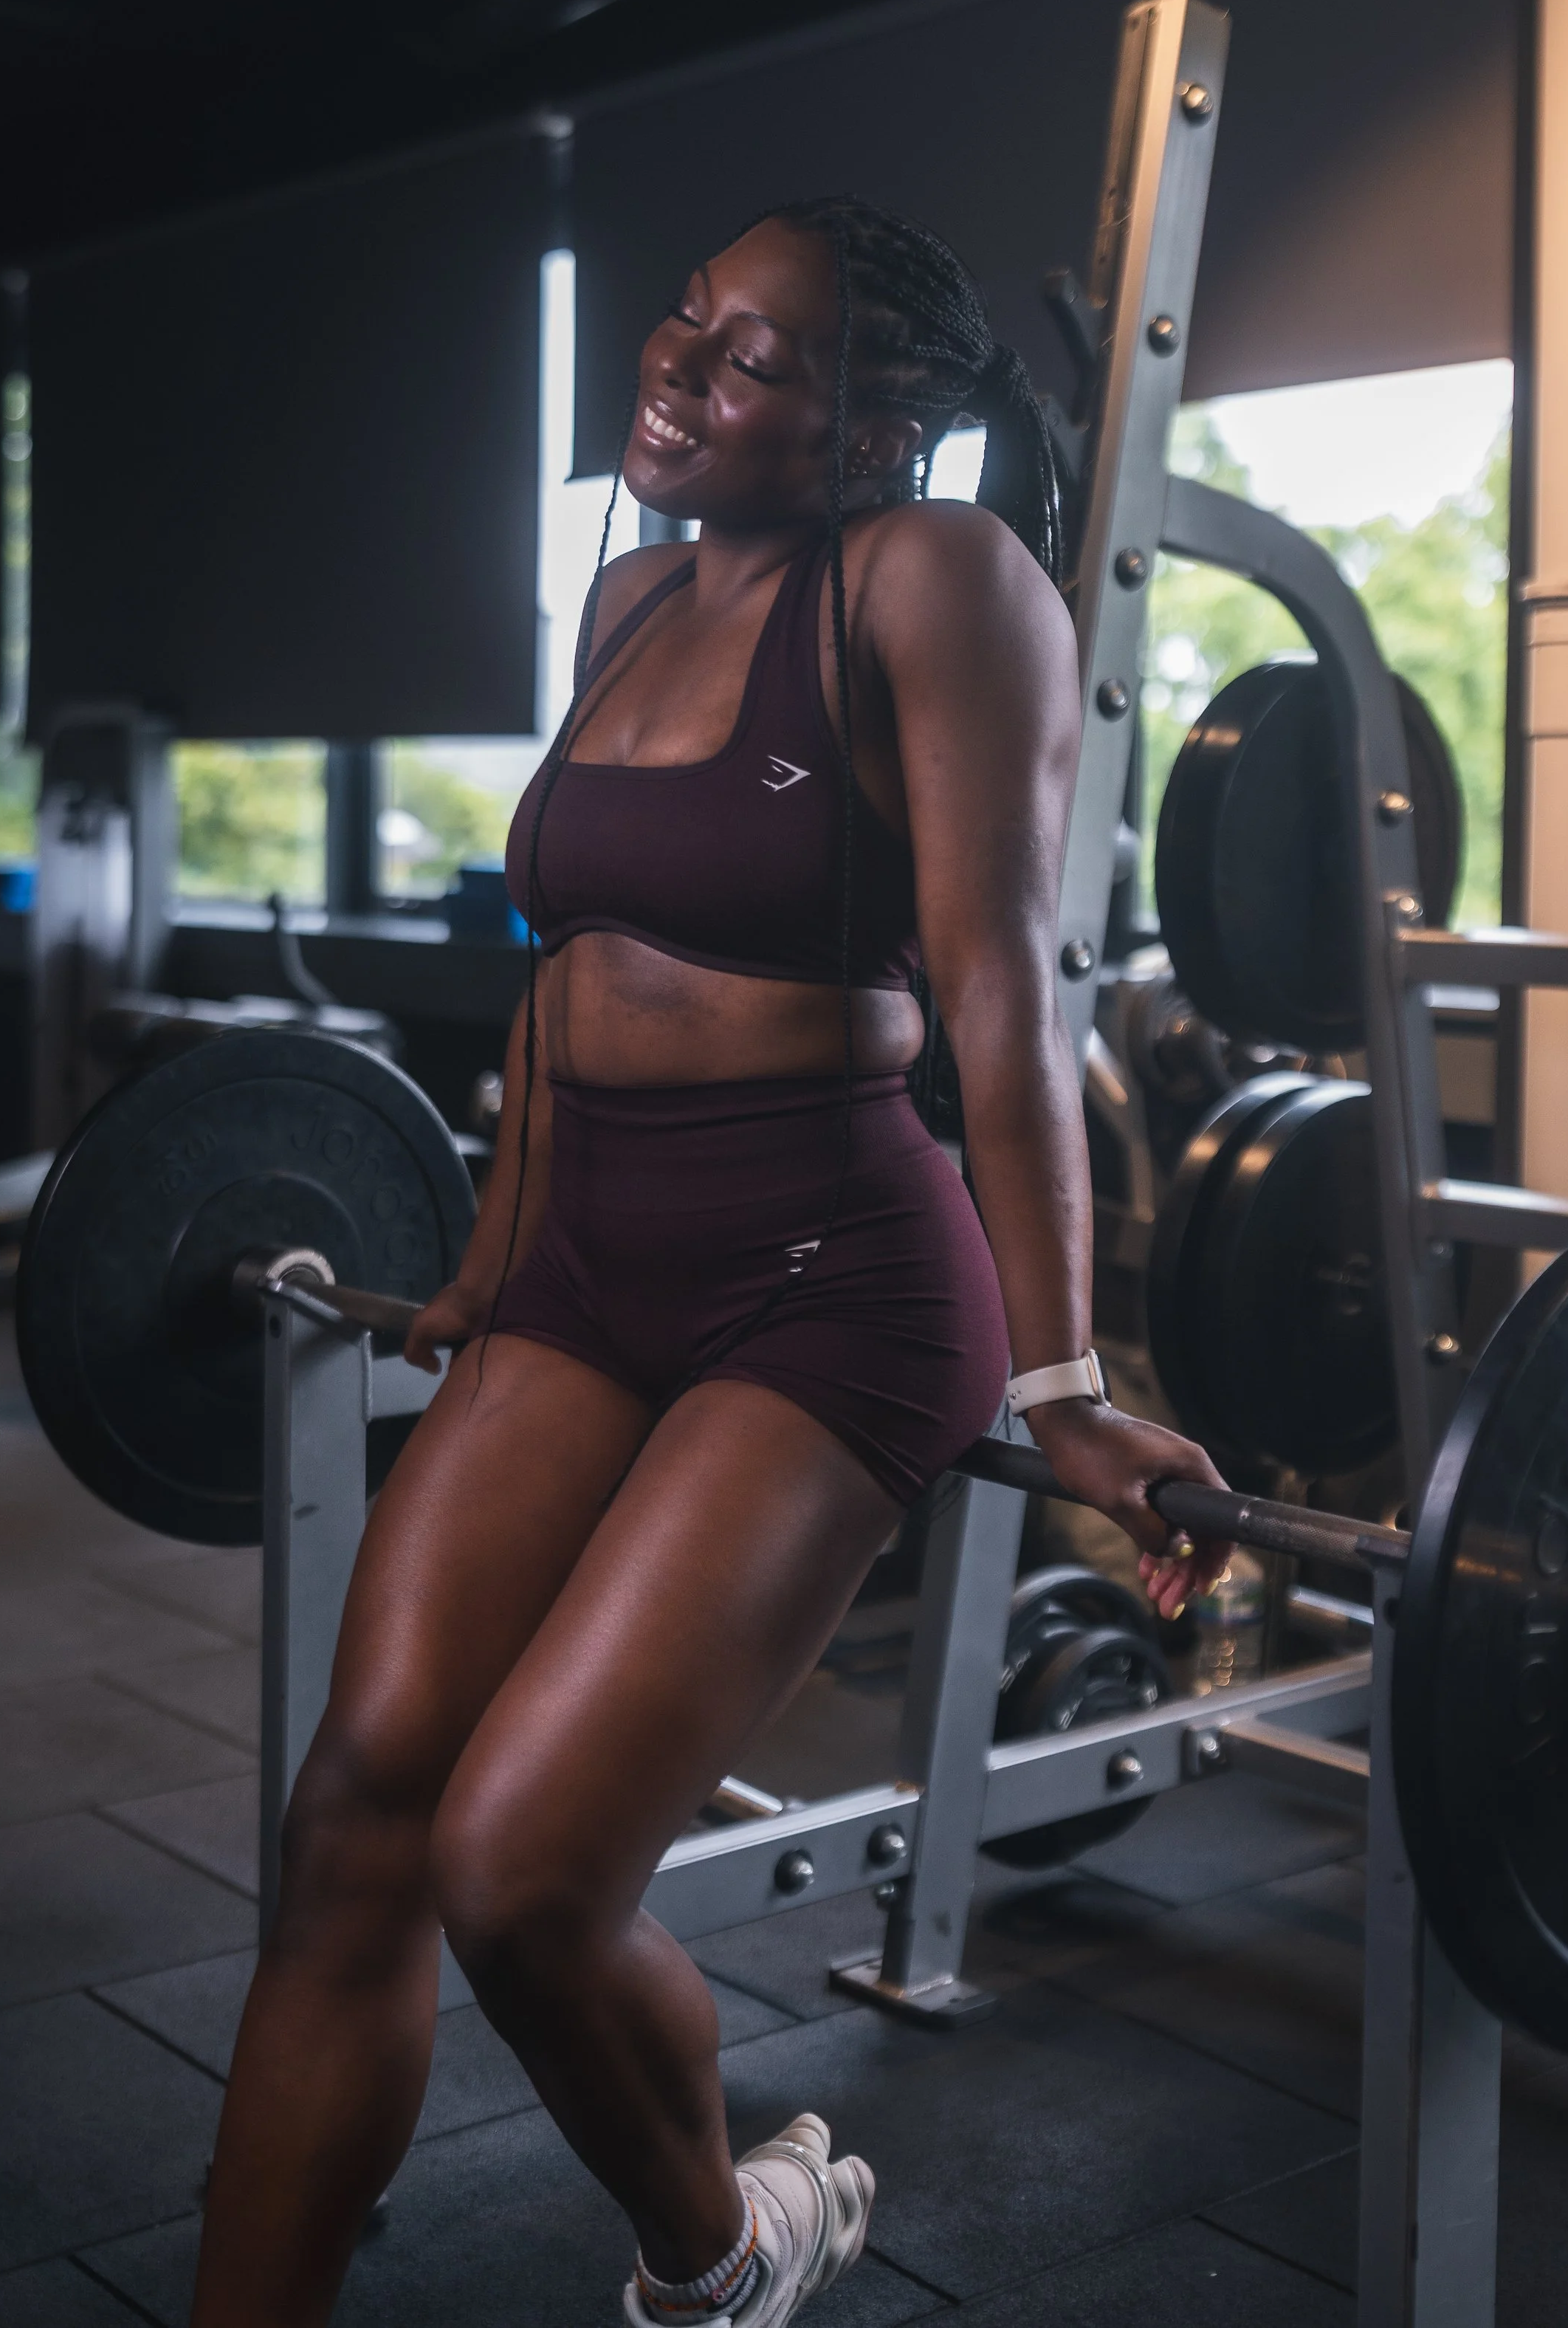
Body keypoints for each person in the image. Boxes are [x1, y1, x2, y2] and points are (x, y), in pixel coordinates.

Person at [188, 198, 1231, 2328]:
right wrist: (491, 1262)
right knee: (358, 1825)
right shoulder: (635, 592)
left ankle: (729, 2248)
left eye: (754, 358)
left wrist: (1061, 1385)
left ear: (882, 425)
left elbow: (1002, 998)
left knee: (523, 1871)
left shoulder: (940, 582)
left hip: (826, 1274)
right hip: (583, 1255)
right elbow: (569, 976)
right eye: (687, 319)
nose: (679, 365)